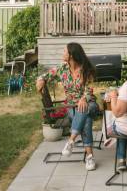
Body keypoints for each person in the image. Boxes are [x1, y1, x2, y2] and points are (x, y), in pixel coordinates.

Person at [36, 43, 98, 171]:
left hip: (90, 104)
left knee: (84, 108)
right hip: (72, 106)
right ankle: (89, 157)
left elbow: (89, 90)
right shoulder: (62, 69)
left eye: (64, 51)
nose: (62, 53)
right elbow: (45, 75)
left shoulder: (87, 69)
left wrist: (83, 99)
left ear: (71, 55)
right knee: (86, 120)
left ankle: (71, 140)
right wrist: (40, 79)